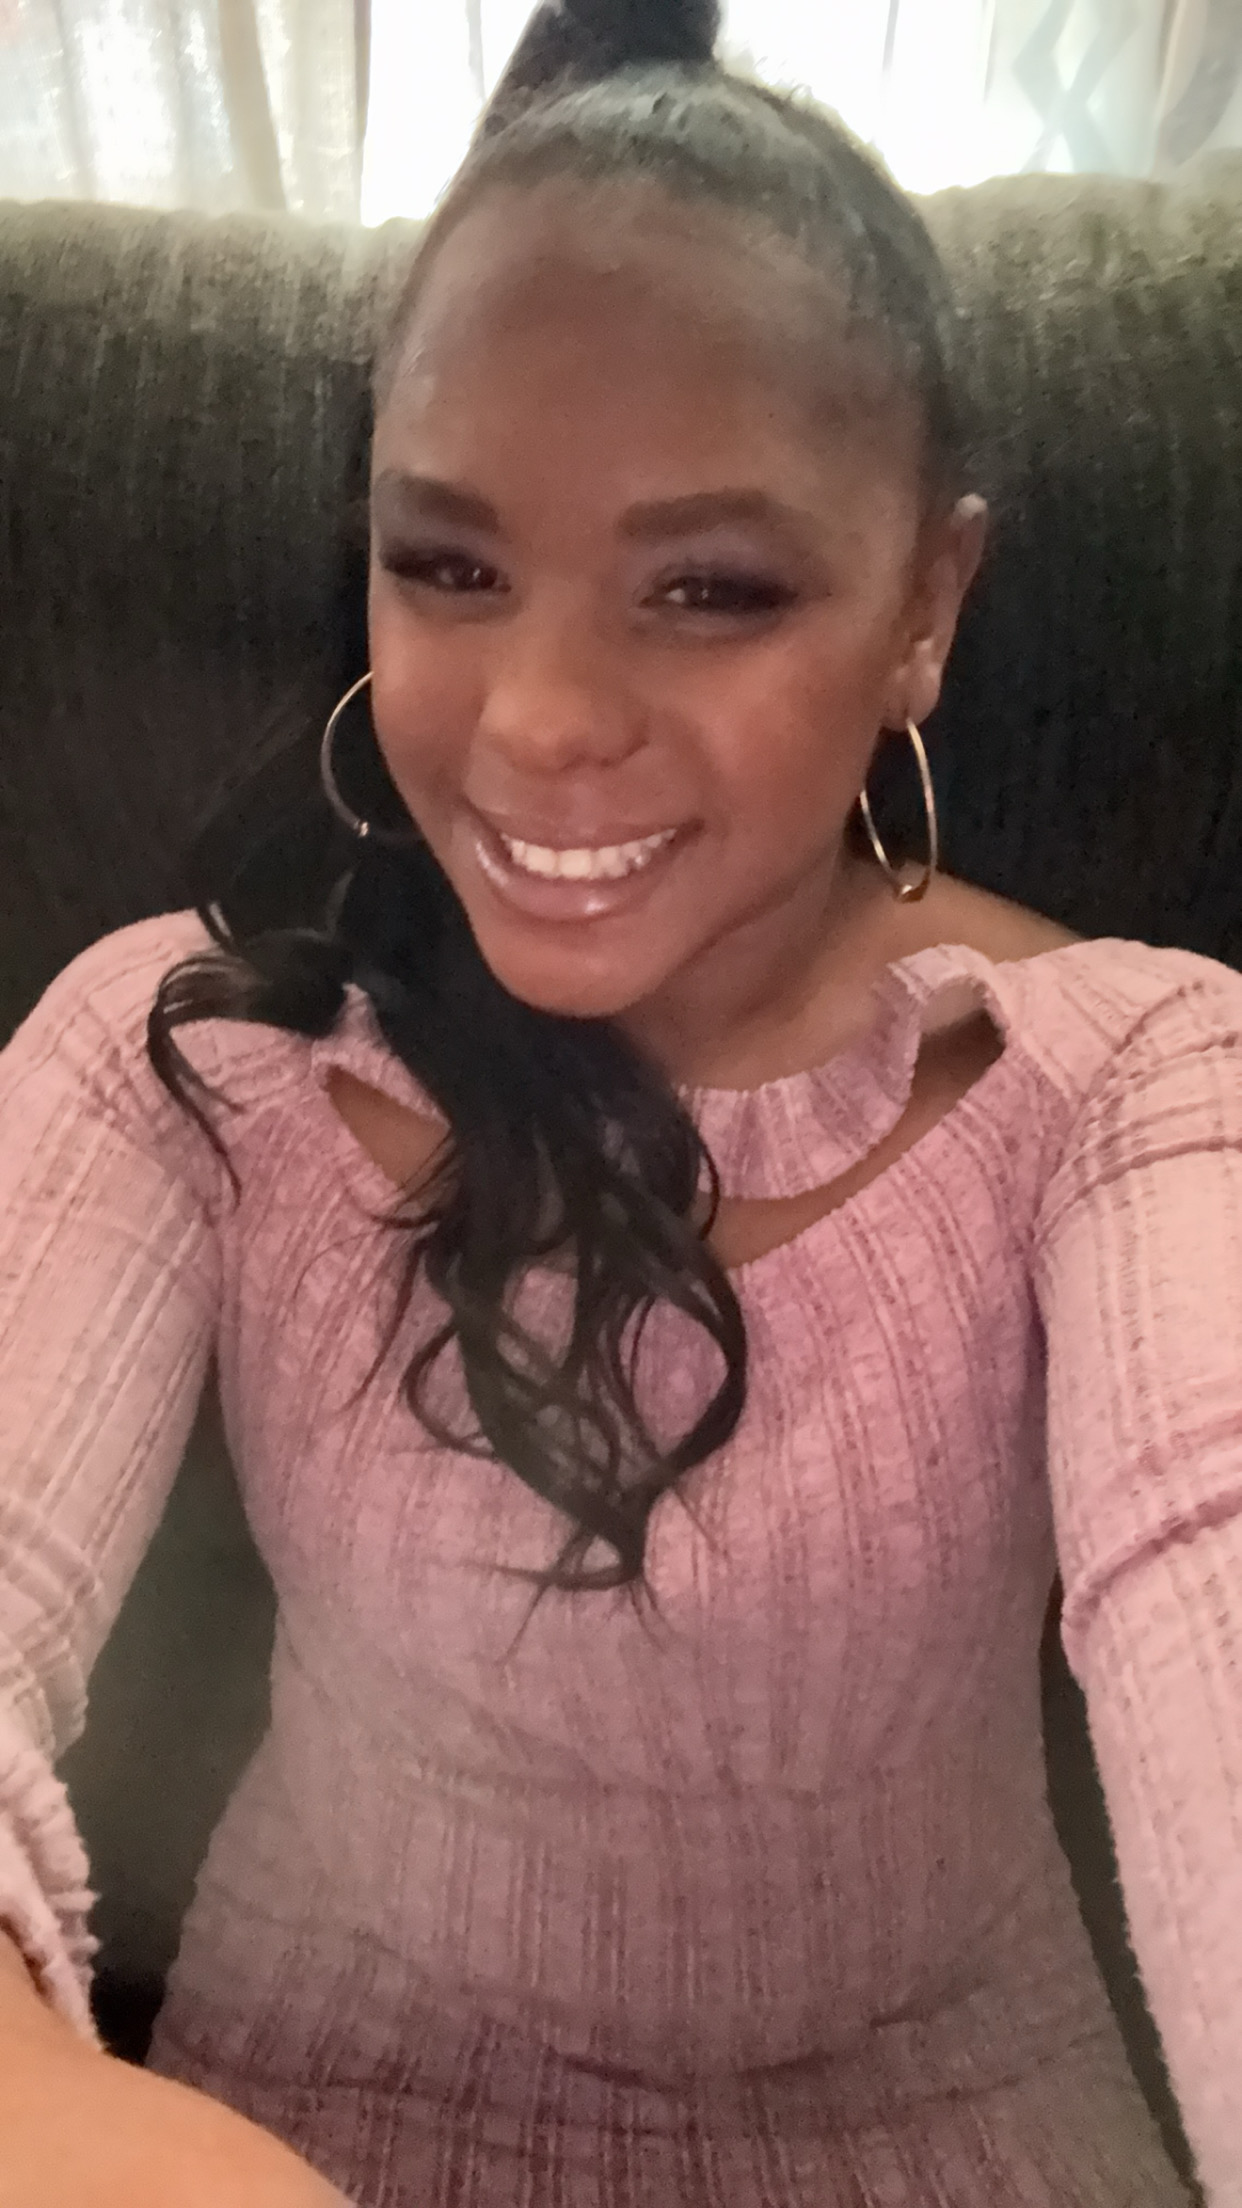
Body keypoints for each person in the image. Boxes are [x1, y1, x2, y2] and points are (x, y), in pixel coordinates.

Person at [1, 1, 1239, 2202]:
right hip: (286, 2127)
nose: (540, 719)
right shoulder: (187, 1050)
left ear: (926, 605)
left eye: (709, 589)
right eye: (450, 564)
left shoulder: (1133, 1083)